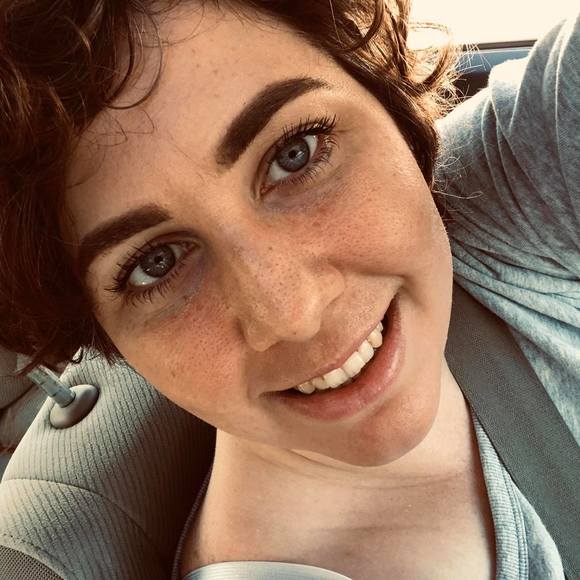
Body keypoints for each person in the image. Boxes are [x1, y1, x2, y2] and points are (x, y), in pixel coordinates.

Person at [0, 1, 577, 578]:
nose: (294, 314)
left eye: (294, 154)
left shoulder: (512, 178)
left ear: (381, 93)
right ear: (100, 331)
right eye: (157, 263)